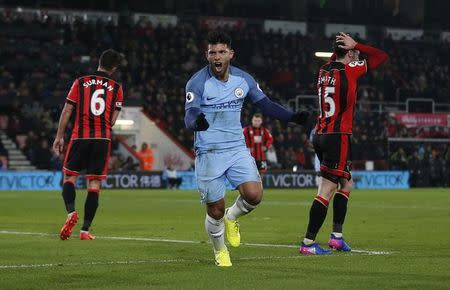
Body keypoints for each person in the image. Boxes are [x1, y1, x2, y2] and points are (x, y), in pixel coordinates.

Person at [184, 31, 309, 266]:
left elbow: (266, 105)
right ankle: (220, 251)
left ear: (231, 54)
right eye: (212, 52)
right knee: (215, 210)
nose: (217, 57)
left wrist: (292, 117)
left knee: (254, 195)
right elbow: (190, 113)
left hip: (236, 149)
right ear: (207, 55)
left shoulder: (244, 80)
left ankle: (233, 217)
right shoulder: (197, 82)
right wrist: (196, 122)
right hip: (209, 152)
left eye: (222, 52)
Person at [299, 32, 388, 255]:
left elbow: (335, 58)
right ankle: (308, 243)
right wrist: (357, 45)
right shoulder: (351, 69)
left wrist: (344, 48)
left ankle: (336, 237)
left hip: (320, 134)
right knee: (326, 189)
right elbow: (381, 56)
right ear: (348, 52)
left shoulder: (323, 70)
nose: (357, 55)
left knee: (346, 184)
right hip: (337, 136)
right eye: (353, 53)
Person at [53, 49, 124, 241]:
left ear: (99, 62)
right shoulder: (117, 88)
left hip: (80, 137)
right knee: (94, 183)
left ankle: (70, 212)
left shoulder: (81, 82)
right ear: (114, 68)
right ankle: (84, 230)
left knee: (70, 177)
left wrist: (59, 136)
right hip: (102, 139)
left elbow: (67, 110)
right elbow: (112, 120)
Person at [243, 113, 273, 179]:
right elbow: (240, 138)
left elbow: (270, 139)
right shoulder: (246, 130)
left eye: (258, 121)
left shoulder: (264, 130)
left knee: (261, 172)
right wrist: (246, 147)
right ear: (252, 120)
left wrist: (266, 146)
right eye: (255, 120)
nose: (256, 122)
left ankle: (259, 186)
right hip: (249, 157)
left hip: (261, 157)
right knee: (249, 172)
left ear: (261, 121)